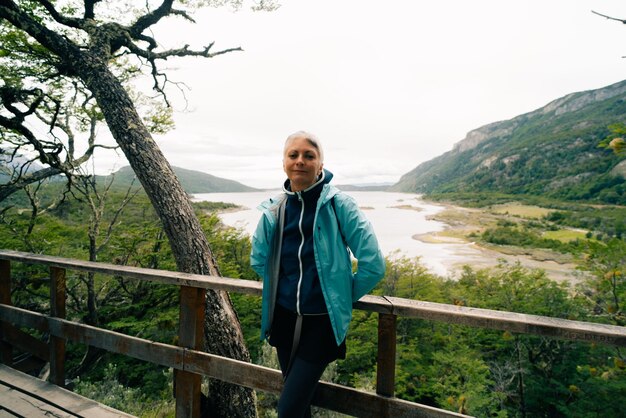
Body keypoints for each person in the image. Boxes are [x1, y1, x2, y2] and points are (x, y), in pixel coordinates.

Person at [250, 131, 386, 417]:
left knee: (287, 410)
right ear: (284, 163)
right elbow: (259, 260)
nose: (300, 161)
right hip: (284, 319)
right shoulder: (275, 210)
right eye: (293, 155)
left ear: (320, 165)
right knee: (299, 408)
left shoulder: (340, 205)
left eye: (309, 156)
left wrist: (339, 297)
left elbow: (373, 264)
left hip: (321, 325)